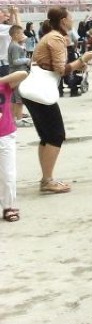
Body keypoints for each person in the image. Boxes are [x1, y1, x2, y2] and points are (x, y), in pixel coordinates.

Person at [23, 7, 92, 193]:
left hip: (34, 91)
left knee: (46, 136)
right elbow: (60, 69)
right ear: (63, 20)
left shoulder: (50, 36)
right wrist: (82, 60)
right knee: (56, 135)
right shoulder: (56, 38)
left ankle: (46, 178)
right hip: (41, 92)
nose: (72, 20)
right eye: (70, 17)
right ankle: (48, 180)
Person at [1, 70, 28, 221]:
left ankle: (8, 206)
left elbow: (23, 73)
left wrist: (1, 81)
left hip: (5, 134)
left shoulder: (4, 86)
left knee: (8, 174)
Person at [7, 25, 31, 126]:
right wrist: (27, 60)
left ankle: (12, 118)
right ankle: (19, 119)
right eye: (21, 33)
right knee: (19, 98)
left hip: (15, 74)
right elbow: (15, 61)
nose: (23, 35)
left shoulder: (15, 44)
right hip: (17, 74)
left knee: (13, 98)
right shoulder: (15, 46)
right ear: (15, 35)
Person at [0, 6, 21, 76]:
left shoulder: (2, 27)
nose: (3, 14)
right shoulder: (1, 27)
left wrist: (12, 14)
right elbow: (18, 29)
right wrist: (16, 13)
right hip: (4, 63)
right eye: (2, 13)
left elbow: (10, 25)